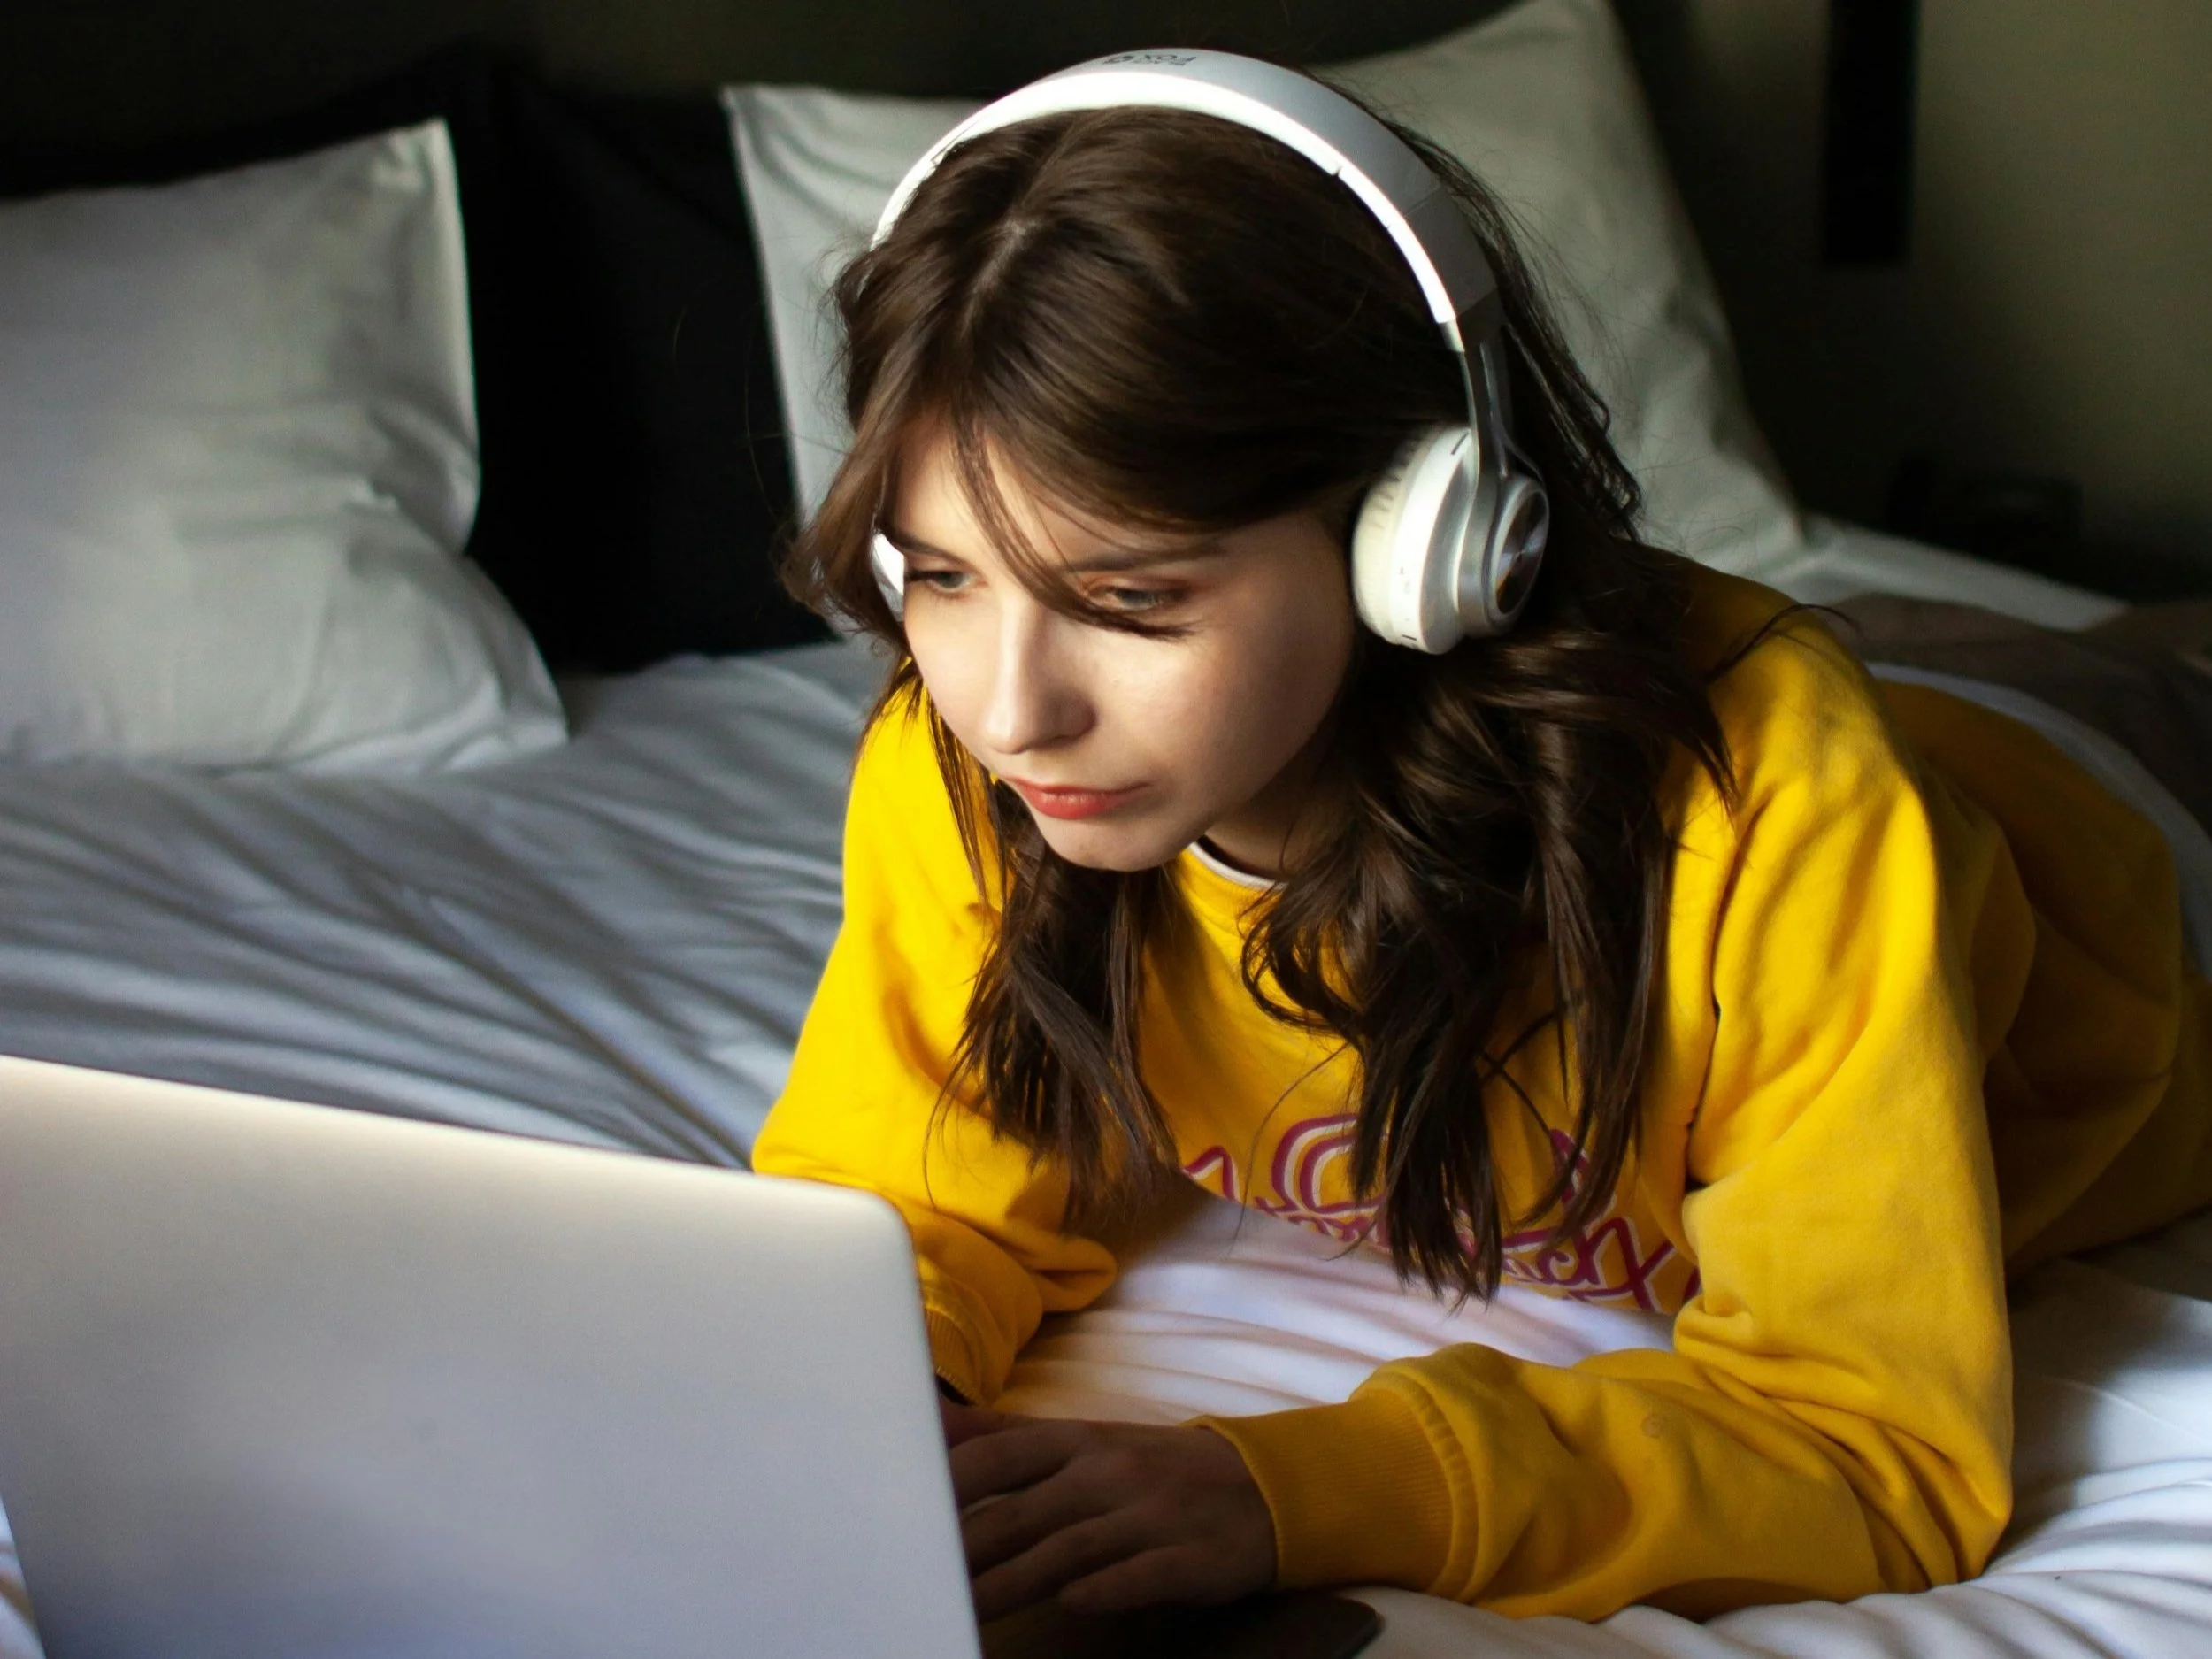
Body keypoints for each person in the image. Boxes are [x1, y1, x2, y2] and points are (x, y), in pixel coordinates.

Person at [749, 53, 2212, 1626]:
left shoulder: (1789, 807)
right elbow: (907, 1213)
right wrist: (826, 1402)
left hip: (2092, 809)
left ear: (1420, 539)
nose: (1010, 708)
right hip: (1745, 686)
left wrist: (1289, 1487)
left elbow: (1871, 1442)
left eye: (1131, 600)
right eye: (944, 576)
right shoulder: (969, 760)